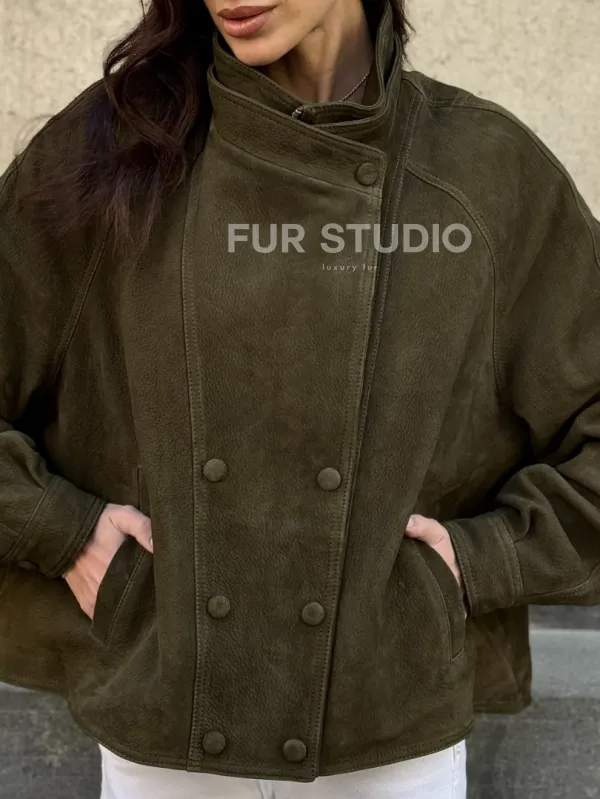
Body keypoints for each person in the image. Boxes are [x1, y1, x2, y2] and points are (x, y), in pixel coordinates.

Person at [1, 0, 599, 796]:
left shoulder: (482, 173)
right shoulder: (111, 148)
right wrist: (62, 531)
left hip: (389, 737)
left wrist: (482, 561)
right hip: (163, 736)